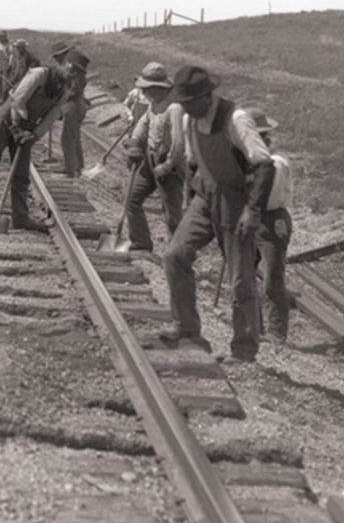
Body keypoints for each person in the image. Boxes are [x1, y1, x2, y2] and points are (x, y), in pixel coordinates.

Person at [161, 66, 274, 363]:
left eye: (189, 101)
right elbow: (193, 164)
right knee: (175, 255)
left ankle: (244, 349)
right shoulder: (188, 119)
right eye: (182, 101)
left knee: (241, 278)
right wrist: (190, 202)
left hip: (236, 201)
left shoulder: (235, 119)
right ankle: (187, 329)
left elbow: (264, 164)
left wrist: (252, 211)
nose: (184, 106)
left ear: (206, 96)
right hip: (205, 195)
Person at [0, 60, 70, 232]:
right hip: (8, 118)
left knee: (21, 174)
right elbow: (18, 100)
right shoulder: (38, 74)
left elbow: (50, 118)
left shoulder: (64, 92)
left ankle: (20, 217)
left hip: (27, 128)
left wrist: (34, 135)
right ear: (58, 71)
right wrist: (16, 125)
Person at [123, 64, 185, 253]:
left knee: (171, 213)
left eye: (148, 88)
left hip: (169, 166)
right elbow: (143, 124)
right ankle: (141, 242)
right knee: (131, 199)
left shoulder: (174, 108)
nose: (144, 91)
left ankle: (178, 253)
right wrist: (134, 143)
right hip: (149, 160)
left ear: (160, 88)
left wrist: (167, 166)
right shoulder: (153, 104)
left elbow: (179, 144)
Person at [248, 106, 293, 343]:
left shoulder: (275, 164)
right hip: (251, 218)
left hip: (271, 220)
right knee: (244, 273)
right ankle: (255, 327)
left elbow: (270, 198)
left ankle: (277, 332)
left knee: (272, 281)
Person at [60, 49, 90, 176]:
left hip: (73, 107)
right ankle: (77, 165)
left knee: (67, 139)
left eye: (68, 62)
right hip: (76, 106)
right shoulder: (78, 76)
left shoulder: (76, 77)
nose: (66, 64)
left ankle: (70, 169)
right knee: (74, 137)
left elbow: (72, 92)